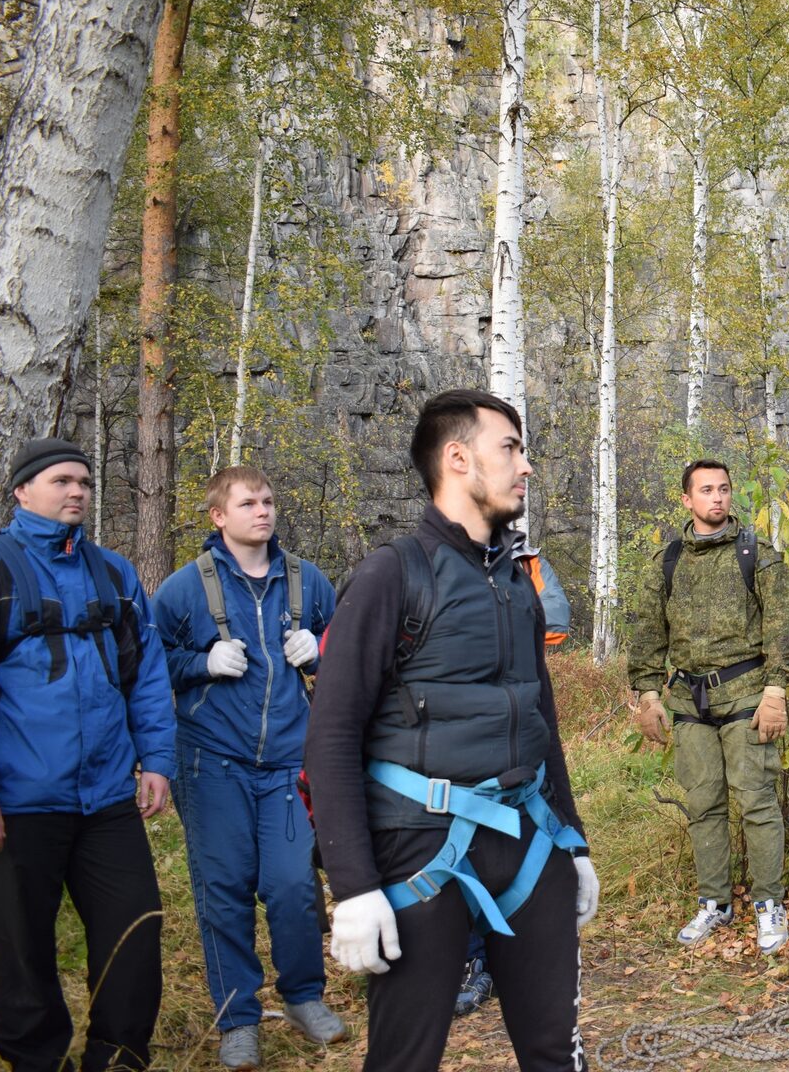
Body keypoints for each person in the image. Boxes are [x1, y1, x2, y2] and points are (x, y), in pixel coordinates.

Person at [304, 389, 596, 1071]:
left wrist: (572, 837)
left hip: (529, 842)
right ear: (458, 458)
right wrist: (353, 887)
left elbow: (538, 716)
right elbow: (332, 736)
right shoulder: (390, 575)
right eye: (510, 449)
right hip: (421, 850)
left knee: (557, 1051)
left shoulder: (515, 580)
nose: (525, 467)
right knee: (405, 1058)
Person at [0, 438, 176, 1071]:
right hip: (18, 805)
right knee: (22, 952)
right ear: (23, 491)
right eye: (61, 480)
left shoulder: (115, 574)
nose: (77, 490)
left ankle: (118, 1059)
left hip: (107, 798)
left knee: (134, 937)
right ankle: (35, 1063)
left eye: (83, 481)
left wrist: (156, 759)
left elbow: (149, 675)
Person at [152, 466, 343, 1066]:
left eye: (267, 500)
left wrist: (321, 648)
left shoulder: (306, 581)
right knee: (224, 890)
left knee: (292, 886)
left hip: (289, 761)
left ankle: (304, 997)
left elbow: (346, 645)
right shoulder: (184, 589)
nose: (262, 511)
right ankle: (237, 1017)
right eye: (247, 503)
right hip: (211, 762)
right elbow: (149, 663)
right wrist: (200, 661)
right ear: (218, 516)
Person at [624, 459, 789, 953]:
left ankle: (768, 904)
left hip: (747, 696)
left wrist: (775, 693)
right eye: (706, 490)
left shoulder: (756, 554)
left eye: (723, 489)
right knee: (704, 804)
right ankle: (715, 904)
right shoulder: (668, 561)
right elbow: (647, 634)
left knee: (757, 802)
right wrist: (649, 693)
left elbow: (782, 627)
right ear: (687, 500)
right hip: (688, 701)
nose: (717, 498)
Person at [456, 544, 571, 1018]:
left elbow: (558, 622)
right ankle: (469, 960)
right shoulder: (420, 562)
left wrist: (516, 638)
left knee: (518, 844)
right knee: (462, 845)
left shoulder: (528, 562)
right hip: (459, 732)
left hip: (520, 723)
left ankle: (510, 954)